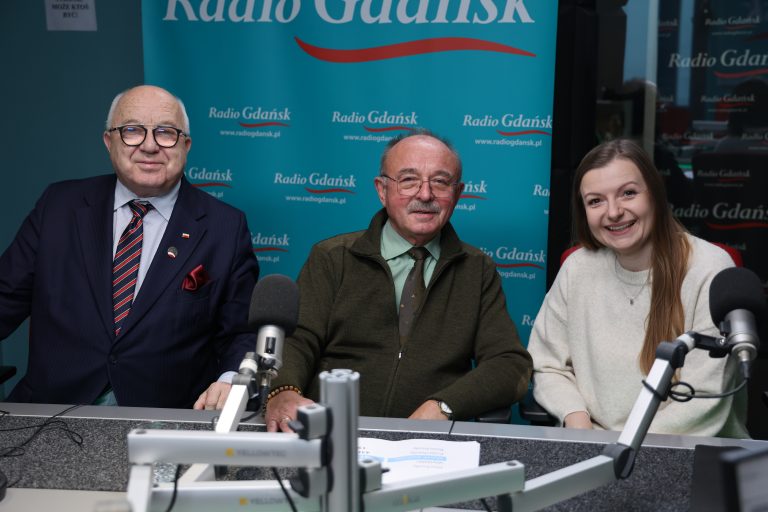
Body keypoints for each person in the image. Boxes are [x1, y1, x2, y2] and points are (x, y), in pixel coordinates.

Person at [0, 85, 259, 409]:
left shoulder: (225, 228)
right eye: (132, 131)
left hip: (167, 420)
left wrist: (230, 381)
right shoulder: (58, 207)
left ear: (186, 145)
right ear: (109, 141)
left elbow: (242, 332)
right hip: (52, 413)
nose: (149, 146)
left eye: (166, 132)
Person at [264, 129, 532, 432]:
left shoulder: (477, 269)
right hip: (330, 434)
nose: (425, 194)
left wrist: (444, 406)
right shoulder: (333, 257)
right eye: (408, 180)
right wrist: (283, 390)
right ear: (381, 189)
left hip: (427, 445)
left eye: (441, 182)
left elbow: (510, 364)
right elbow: (297, 340)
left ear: (457, 193)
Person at [527, 139, 748, 437]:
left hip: (685, 452)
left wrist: (623, 449)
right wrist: (577, 421)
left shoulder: (710, 267)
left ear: (655, 195)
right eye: (596, 201)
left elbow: (704, 398)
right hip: (594, 444)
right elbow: (547, 365)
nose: (614, 212)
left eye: (628, 193)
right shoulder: (577, 268)